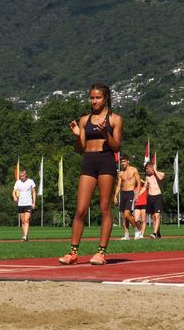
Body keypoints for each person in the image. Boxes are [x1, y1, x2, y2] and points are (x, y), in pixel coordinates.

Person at [59, 84, 122, 265]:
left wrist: (105, 133)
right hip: (88, 162)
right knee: (80, 209)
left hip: (106, 162)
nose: (94, 101)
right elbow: (79, 149)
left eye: (98, 98)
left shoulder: (115, 119)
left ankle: (101, 253)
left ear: (106, 98)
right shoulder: (84, 120)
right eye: (92, 98)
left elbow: (116, 146)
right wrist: (77, 135)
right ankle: (73, 253)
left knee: (104, 209)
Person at [113, 154, 142, 240]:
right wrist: (115, 196)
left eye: (124, 161)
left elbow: (139, 182)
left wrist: (137, 193)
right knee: (124, 216)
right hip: (123, 194)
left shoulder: (134, 170)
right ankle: (126, 235)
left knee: (127, 214)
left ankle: (137, 230)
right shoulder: (121, 173)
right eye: (121, 162)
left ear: (128, 161)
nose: (123, 163)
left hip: (131, 193)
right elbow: (118, 185)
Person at [139, 161, 165, 239]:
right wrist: (138, 195)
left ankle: (154, 233)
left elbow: (160, 178)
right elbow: (144, 187)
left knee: (157, 215)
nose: (146, 170)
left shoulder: (160, 174)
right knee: (153, 217)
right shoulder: (147, 177)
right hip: (150, 197)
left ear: (151, 168)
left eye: (147, 168)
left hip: (158, 196)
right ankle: (158, 233)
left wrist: (155, 170)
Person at [12, 170, 36, 241]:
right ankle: (25, 235)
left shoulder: (30, 181)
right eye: (20, 176)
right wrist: (14, 197)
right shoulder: (18, 182)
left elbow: (34, 192)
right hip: (20, 204)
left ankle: (25, 236)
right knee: (22, 221)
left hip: (28, 203)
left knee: (26, 219)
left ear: (26, 175)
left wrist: (34, 202)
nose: (21, 177)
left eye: (23, 176)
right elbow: (13, 192)